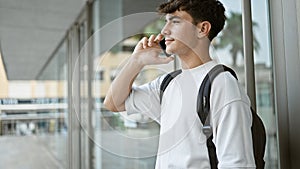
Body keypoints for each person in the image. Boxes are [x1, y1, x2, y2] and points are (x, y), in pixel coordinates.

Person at [104, 0, 255, 168]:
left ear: (202, 29)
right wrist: (136, 60)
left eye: (175, 21)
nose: (164, 30)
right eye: (166, 21)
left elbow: (237, 164)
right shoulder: (167, 84)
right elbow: (113, 103)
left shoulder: (222, 84)